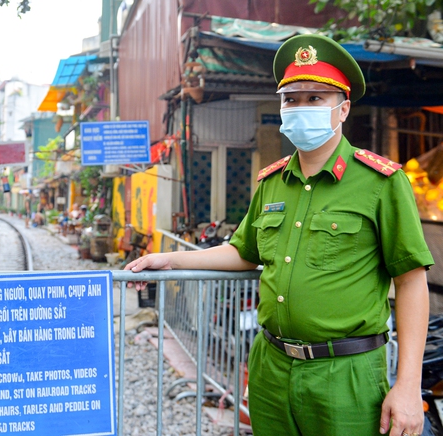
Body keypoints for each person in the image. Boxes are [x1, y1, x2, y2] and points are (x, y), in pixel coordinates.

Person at [125, 34, 433, 436]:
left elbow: (411, 281)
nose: (300, 108)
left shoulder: (381, 183)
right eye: (291, 99)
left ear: (342, 109)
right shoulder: (272, 182)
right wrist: (171, 259)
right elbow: (244, 252)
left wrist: (408, 385)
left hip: (345, 376)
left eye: (315, 99)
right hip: (270, 368)